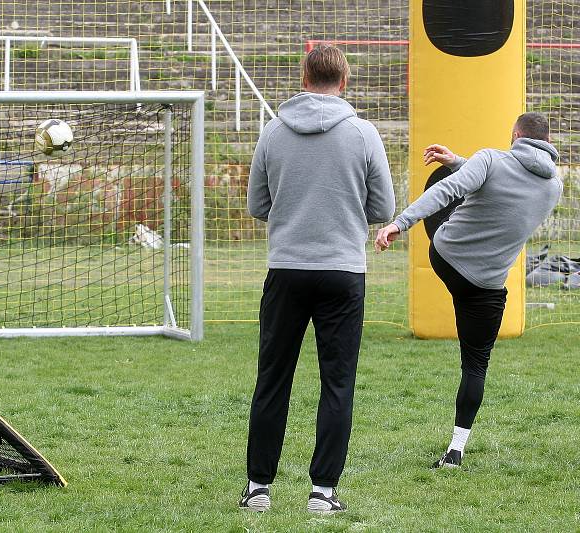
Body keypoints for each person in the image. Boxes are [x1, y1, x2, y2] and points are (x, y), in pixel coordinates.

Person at [241, 44, 396, 513]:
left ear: (304, 79)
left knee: (272, 379)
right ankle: (323, 493)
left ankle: (258, 488)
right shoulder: (364, 134)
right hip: (343, 271)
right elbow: (383, 209)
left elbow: (256, 206)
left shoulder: (272, 131)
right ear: (344, 82)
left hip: (287, 269)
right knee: (338, 382)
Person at [375, 112, 563, 468]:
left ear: (515, 135)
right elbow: (508, 182)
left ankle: (455, 453)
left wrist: (401, 224)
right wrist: (462, 162)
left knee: (458, 201)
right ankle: (455, 451)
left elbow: (448, 189)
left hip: (445, 257)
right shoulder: (554, 185)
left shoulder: (490, 158)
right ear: (547, 142)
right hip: (487, 285)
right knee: (475, 365)